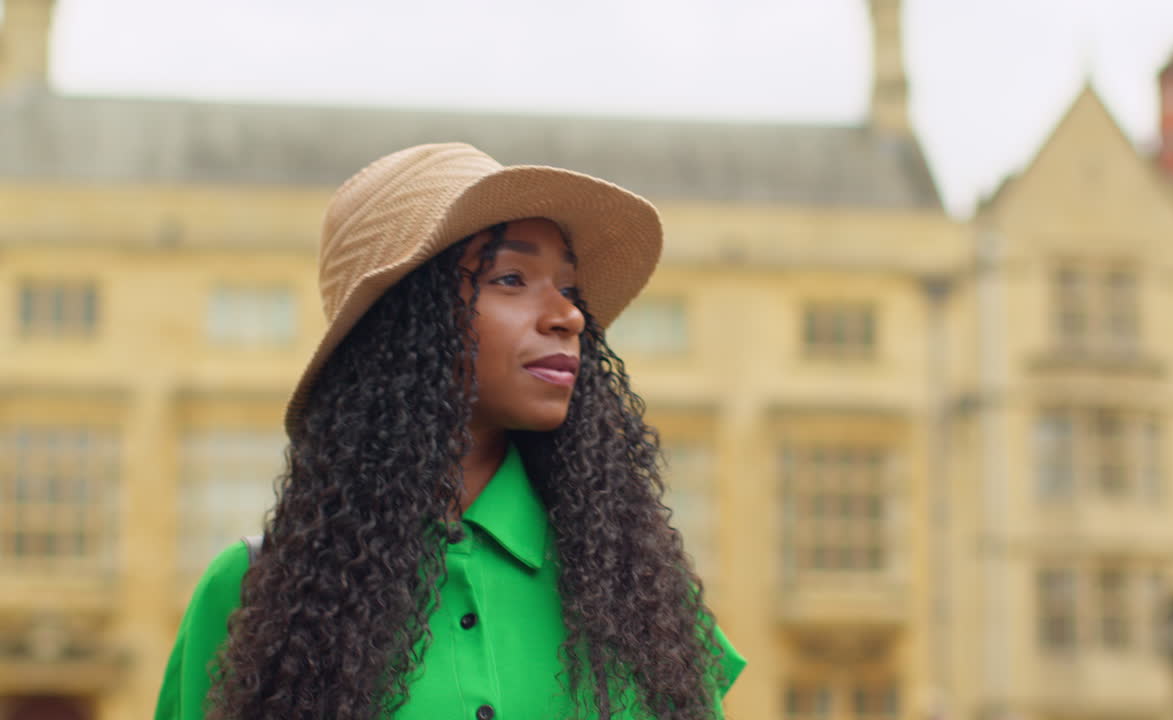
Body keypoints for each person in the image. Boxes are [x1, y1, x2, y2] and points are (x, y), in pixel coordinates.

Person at [154, 143, 746, 720]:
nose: (568, 315)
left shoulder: (642, 590)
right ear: (407, 319)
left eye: (569, 289)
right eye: (511, 278)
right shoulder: (253, 593)